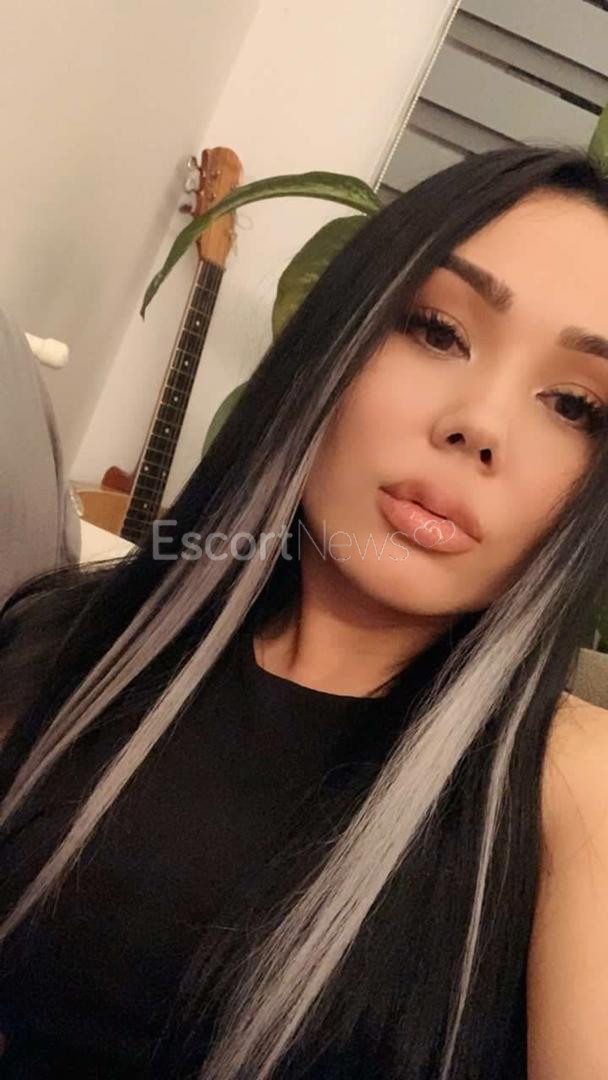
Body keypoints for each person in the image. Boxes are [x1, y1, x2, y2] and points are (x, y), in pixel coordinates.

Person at [0, 144, 608, 1080]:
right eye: (438, 331)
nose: (479, 425)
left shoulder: (571, 788)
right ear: (338, 339)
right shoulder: (60, 649)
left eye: (572, 404)